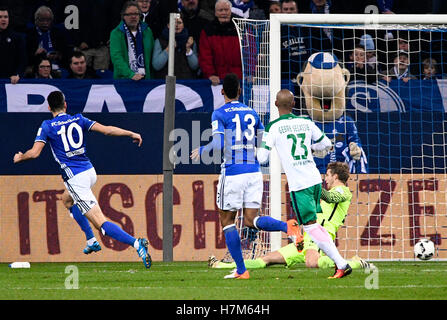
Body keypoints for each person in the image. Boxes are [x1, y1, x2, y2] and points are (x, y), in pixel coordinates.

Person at [13, 91, 152, 268]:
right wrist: (130, 133)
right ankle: (91, 240)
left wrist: (20, 157)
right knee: (66, 199)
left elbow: (34, 153)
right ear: (66, 105)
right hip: (89, 171)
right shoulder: (78, 119)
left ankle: (136, 243)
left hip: (76, 179)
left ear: (49, 107)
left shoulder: (47, 126)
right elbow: (107, 130)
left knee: (100, 223)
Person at [190, 74, 302, 279]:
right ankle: (288, 226)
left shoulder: (219, 114)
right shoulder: (251, 112)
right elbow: (263, 139)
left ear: (222, 91)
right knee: (251, 220)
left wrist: (202, 148)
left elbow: (218, 144)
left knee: (227, 221)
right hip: (254, 172)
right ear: (240, 92)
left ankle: (241, 270)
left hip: (233, 172)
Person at [256, 89, 353, 279]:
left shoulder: (273, 127)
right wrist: (312, 149)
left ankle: (341, 264)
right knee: (312, 225)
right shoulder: (306, 122)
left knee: (310, 227)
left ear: (276, 104)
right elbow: (326, 143)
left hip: (299, 184)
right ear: (294, 104)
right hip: (315, 179)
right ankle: (339, 263)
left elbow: (261, 157)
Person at [209, 162, 374, 272]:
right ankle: (223, 265)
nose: (326, 178)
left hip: (319, 236)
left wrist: (312, 186)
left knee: (311, 262)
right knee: (266, 259)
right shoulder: (329, 191)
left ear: (336, 177)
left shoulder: (343, 191)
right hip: (305, 237)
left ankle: (353, 262)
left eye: (328, 175)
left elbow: (331, 198)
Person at [199, 0, 243, 85]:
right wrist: (210, 74)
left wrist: (249, 74)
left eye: (226, 10)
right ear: (215, 13)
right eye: (220, 10)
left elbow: (249, 53)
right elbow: (205, 56)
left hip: (240, 79)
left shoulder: (241, 28)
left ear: (231, 11)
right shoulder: (208, 30)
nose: (224, 13)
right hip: (217, 80)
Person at [109, 1, 154, 80]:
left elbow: (152, 56)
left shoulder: (147, 31)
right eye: (130, 14)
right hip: (124, 79)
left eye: (136, 14)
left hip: (145, 79)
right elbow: (116, 58)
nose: (133, 17)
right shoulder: (116, 33)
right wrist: (131, 75)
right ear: (123, 16)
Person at [25, 6, 71, 75]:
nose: (45, 23)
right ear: (36, 20)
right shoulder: (29, 34)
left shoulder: (59, 33)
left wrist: (58, 55)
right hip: (36, 65)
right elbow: (24, 56)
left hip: (56, 65)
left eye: (48, 20)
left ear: (51, 21)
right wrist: (35, 53)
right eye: (42, 20)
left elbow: (66, 51)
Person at [0, 6, 26, 84]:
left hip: (11, 82)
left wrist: (17, 74)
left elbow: (23, 59)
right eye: (0, 17)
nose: (3, 19)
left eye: (6, 17)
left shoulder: (17, 38)